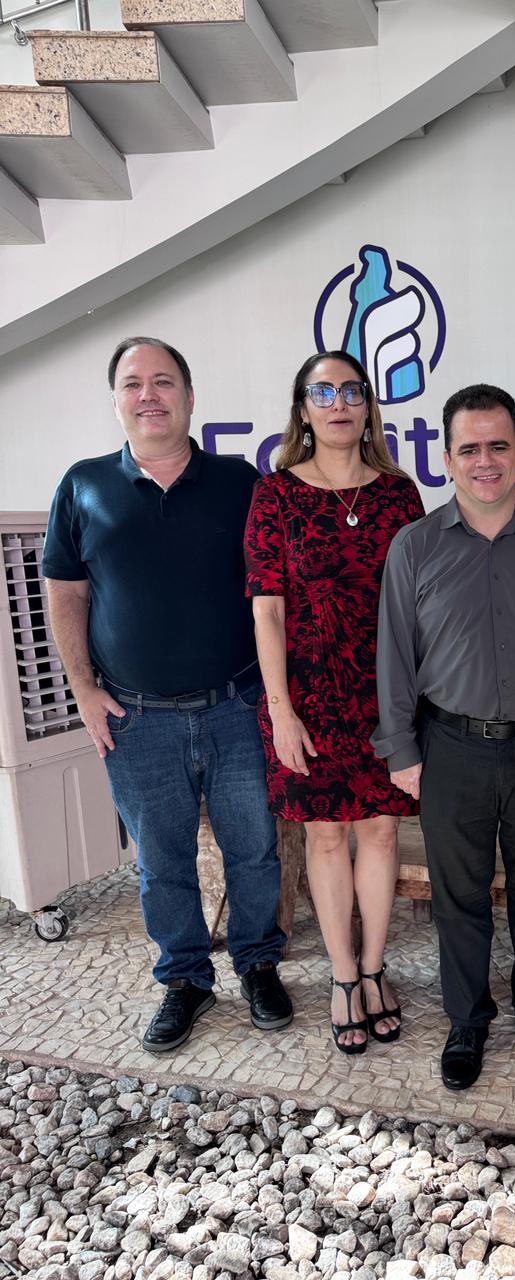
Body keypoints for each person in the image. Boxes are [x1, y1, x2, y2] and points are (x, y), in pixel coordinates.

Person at [43, 336, 292, 1054]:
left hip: (237, 707)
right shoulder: (83, 486)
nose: (148, 394)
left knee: (254, 850)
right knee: (162, 862)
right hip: (136, 719)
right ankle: (185, 979)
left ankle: (258, 964)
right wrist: (83, 690)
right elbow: (66, 594)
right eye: (133, 383)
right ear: (116, 401)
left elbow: (273, 594)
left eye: (163, 381)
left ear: (188, 396)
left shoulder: (240, 482)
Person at [373, 384, 515, 1091]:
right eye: (469, 449)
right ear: (446, 459)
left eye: (498, 446)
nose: (485, 461)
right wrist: (401, 751)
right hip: (450, 748)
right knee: (457, 897)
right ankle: (467, 1020)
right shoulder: (415, 546)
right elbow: (395, 655)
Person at [244, 351, 424, 1055]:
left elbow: (417, 608)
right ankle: (343, 976)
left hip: (385, 695)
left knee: (380, 834)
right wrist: (280, 709)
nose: (339, 404)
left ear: (369, 405)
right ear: (303, 410)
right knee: (323, 838)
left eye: (352, 391)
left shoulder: (399, 495)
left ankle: (375, 967)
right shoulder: (275, 495)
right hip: (309, 698)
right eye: (323, 393)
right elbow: (266, 611)